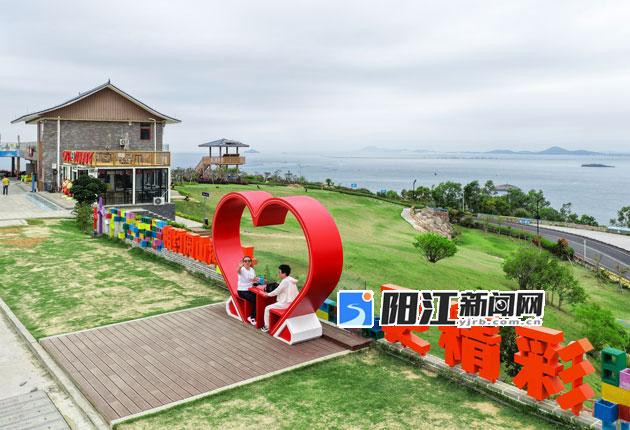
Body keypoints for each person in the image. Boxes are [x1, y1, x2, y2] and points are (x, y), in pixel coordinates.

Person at [261, 264, 299, 332]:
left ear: (284, 273)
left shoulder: (285, 281)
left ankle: (267, 326)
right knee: (274, 304)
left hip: (286, 303)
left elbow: (277, 291)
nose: (279, 274)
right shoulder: (290, 279)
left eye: (279, 272)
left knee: (267, 308)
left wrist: (267, 294)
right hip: (292, 302)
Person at [237, 256, 257, 325]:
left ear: (250, 262)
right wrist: (239, 267)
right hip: (242, 291)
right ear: (243, 262)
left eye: (249, 261)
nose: (247, 262)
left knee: (259, 297)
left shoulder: (252, 269)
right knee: (255, 299)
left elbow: (253, 278)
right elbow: (238, 271)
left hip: (250, 289)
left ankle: (257, 313)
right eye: (245, 261)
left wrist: (258, 280)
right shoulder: (242, 269)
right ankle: (252, 317)